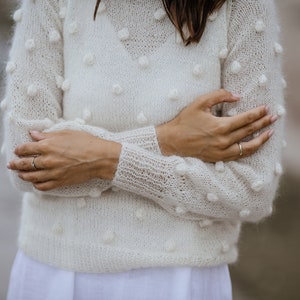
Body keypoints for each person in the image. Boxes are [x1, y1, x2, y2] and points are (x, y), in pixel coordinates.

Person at [2, 0, 285, 299]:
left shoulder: (244, 6)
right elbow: (26, 163)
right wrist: (167, 139)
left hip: (181, 280)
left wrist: (105, 159)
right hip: (56, 274)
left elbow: (253, 190)